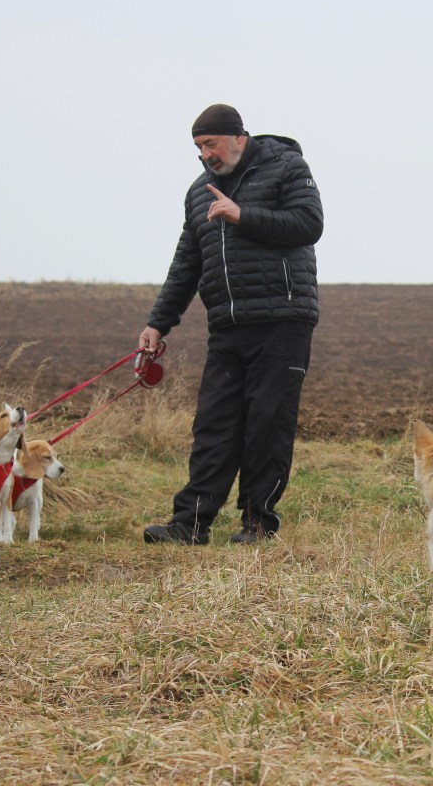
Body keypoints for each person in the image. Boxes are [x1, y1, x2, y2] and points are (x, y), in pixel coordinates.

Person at [139, 103, 323, 545]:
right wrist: (157, 323)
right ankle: (190, 525)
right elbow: (187, 262)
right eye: (199, 147)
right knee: (213, 426)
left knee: (266, 425)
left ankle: (258, 525)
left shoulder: (286, 167)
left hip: (283, 319)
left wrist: (243, 215)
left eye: (212, 144)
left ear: (239, 137)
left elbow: (309, 223)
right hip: (227, 325)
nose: (206, 155)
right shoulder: (199, 192)